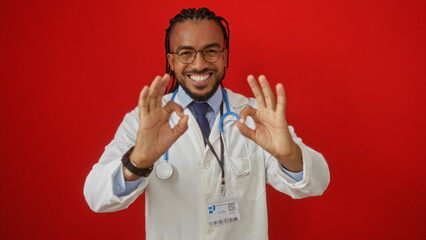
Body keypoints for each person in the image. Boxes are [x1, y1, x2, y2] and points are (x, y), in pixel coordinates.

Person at [84, 7, 330, 240]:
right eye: (186, 53)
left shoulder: (255, 114)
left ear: (224, 56)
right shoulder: (143, 120)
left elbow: (316, 184)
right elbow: (96, 196)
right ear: (171, 60)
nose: (199, 64)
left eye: (211, 51)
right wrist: (138, 162)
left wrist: (289, 156)